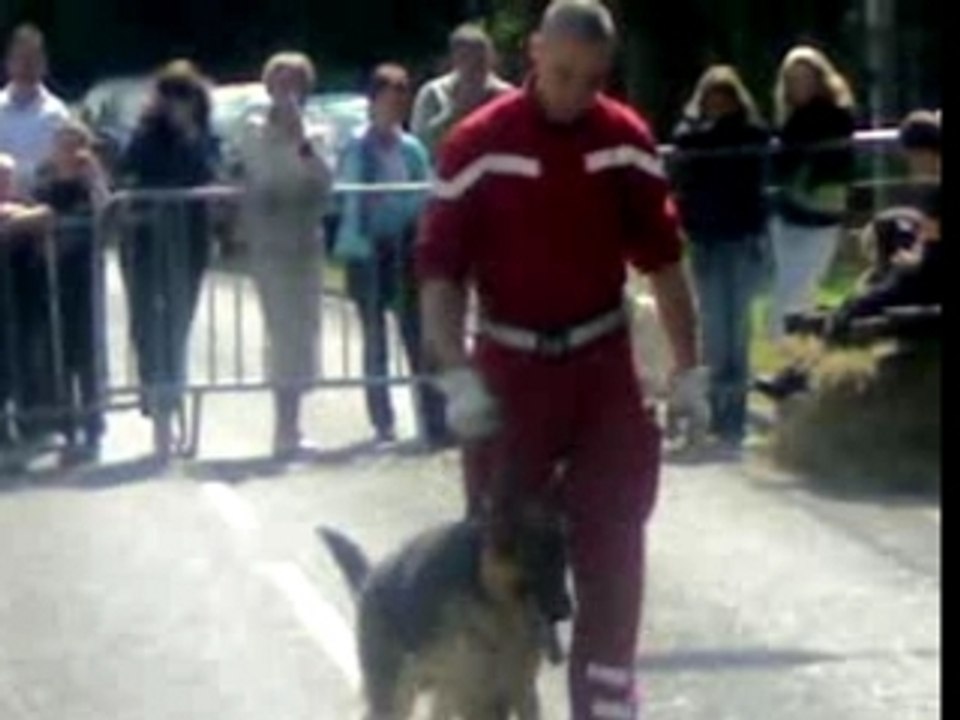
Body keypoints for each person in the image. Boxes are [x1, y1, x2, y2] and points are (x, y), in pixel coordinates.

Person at [417, 2, 708, 717]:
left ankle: (606, 700)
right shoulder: (479, 143)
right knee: (503, 559)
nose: (574, 93)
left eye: (591, 80)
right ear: (536, 52)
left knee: (614, 546)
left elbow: (666, 263)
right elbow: (440, 273)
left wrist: (688, 366)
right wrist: (454, 369)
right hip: (510, 371)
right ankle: (494, 696)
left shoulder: (623, 140)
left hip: (601, 367)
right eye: (562, 73)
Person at [334, 63, 450, 448]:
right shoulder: (356, 147)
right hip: (368, 252)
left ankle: (433, 418)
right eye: (390, 98)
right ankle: (382, 421)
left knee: (418, 336)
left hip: (405, 247)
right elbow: (353, 199)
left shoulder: (411, 147)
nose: (396, 107)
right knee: (374, 340)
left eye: (402, 99)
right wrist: (398, 203)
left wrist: (400, 205)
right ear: (374, 101)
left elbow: (424, 193)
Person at [236, 52, 332, 459]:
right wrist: (278, 133)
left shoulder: (320, 132)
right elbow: (258, 171)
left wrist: (301, 141)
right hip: (270, 242)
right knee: (282, 330)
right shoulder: (253, 129)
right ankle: (283, 426)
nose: (284, 94)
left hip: (305, 240)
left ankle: (293, 425)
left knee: (304, 331)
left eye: (293, 85)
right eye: (278, 85)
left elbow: (324, 180)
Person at [118, 60, 217, 446]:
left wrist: (189, 132)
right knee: (145, 326)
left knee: (176, 325)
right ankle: (156, 401)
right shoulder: (142, 134)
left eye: (185, 96)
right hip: (143, 240)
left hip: (189, 239)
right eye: (170, 96)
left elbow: (210, 172)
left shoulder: (203, 134)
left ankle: (167, 409)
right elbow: (127, 172)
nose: (177, 104)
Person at [671, 65, 770, 448]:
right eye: (710, 99)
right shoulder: (691, 136)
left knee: (738, 329)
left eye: (724, 99)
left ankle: (736, 413)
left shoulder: (749, 134)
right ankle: (716, 410)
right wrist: (701, 127)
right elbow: (684, 152)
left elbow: (754, 146)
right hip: (707, 240)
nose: (717, 107)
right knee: (714, 330)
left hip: (741, 238)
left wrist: (717, 131)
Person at [33, 119, 111, 461]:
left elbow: (107, 209)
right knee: (60, 352)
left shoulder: (89, 181)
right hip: (51, 273)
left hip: (85, 272)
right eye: (62, 144)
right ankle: (65, 426)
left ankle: (93, 424)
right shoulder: (44, 183)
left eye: (75, 144)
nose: (68, 151)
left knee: (87, 351)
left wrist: (94, 177)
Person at [768, 45, 855, 341]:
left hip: (821, 216)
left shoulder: (836, 117)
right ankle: (787, 358)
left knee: (799, 289)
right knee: (785, 289)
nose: (798, 85)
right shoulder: (790, 122)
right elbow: (779, 166)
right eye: (792, 79)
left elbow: (831, 164)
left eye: (805, 78)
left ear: (820, 80)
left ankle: (794, 358)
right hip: (789, 215)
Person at [0, 153, 56, 449]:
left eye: (7, 177)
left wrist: (13, 218)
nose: (4, 183)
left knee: (29, 360)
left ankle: (32, 426)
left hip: (25, 298)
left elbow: (47, 215)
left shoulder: (25, 204)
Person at [410, 23, 513, 157]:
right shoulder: (433, 93)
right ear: (455, 59)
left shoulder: (506, 96)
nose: (473, 67)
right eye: (466, 58)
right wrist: (454, 112)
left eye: (480, 60)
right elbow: (420, 147)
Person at [0, 24, 70, 195]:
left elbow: (62, 170)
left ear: (44, 65)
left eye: (33, 59)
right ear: (8, 63)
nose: (27, 66)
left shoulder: (58, 114)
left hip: (41, 202)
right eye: (21, 59)